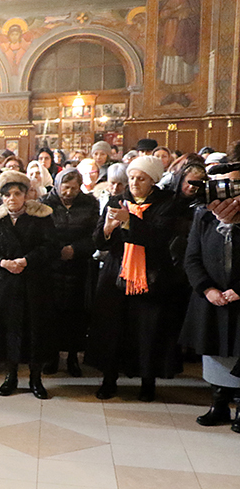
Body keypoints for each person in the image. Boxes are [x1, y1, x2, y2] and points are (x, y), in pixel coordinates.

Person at [89, 156, 182, 402]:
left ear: (153, 181)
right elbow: (99, 240)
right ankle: (109, 380)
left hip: (151, 275)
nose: (134, 183)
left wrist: (129, 221)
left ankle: (147, 382)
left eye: (141, 179)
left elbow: (158, 237)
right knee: (112, 330)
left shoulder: (167, 203)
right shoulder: (117, 201)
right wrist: (108, 229)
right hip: (116, 274)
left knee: (147, 331)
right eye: (131, 178)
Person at [0, 170, 58, 398]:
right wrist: (2, 262)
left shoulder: (41, 217)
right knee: (9, 331)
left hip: (35, 284)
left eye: (17, 194)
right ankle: (10, 376)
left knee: (36, 330)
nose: (12, 199)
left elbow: (50, 247)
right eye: (7, 195)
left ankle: (36, 378)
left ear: (26, 195)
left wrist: (27, 260)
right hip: (7, 285)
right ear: (1, 198)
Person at [181, 177, 240, 431]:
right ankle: (219, 404)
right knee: (213, 350)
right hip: (212, 297)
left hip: (238, 297)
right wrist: (206, 288)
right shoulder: (203, 215)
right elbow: (192, 257)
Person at [41, 168, 99, 376]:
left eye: (74, 188)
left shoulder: (90, 203)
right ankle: (51, 356)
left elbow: (94, 234)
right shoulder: (44, 203)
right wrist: (59, 250)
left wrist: (75, 249)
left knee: (76, 315)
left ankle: (73, 357)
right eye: (65, 187)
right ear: (57, 185)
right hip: (51, 266)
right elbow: (41, 234)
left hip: (79, 265)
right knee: (51, 313)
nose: (69, 192)